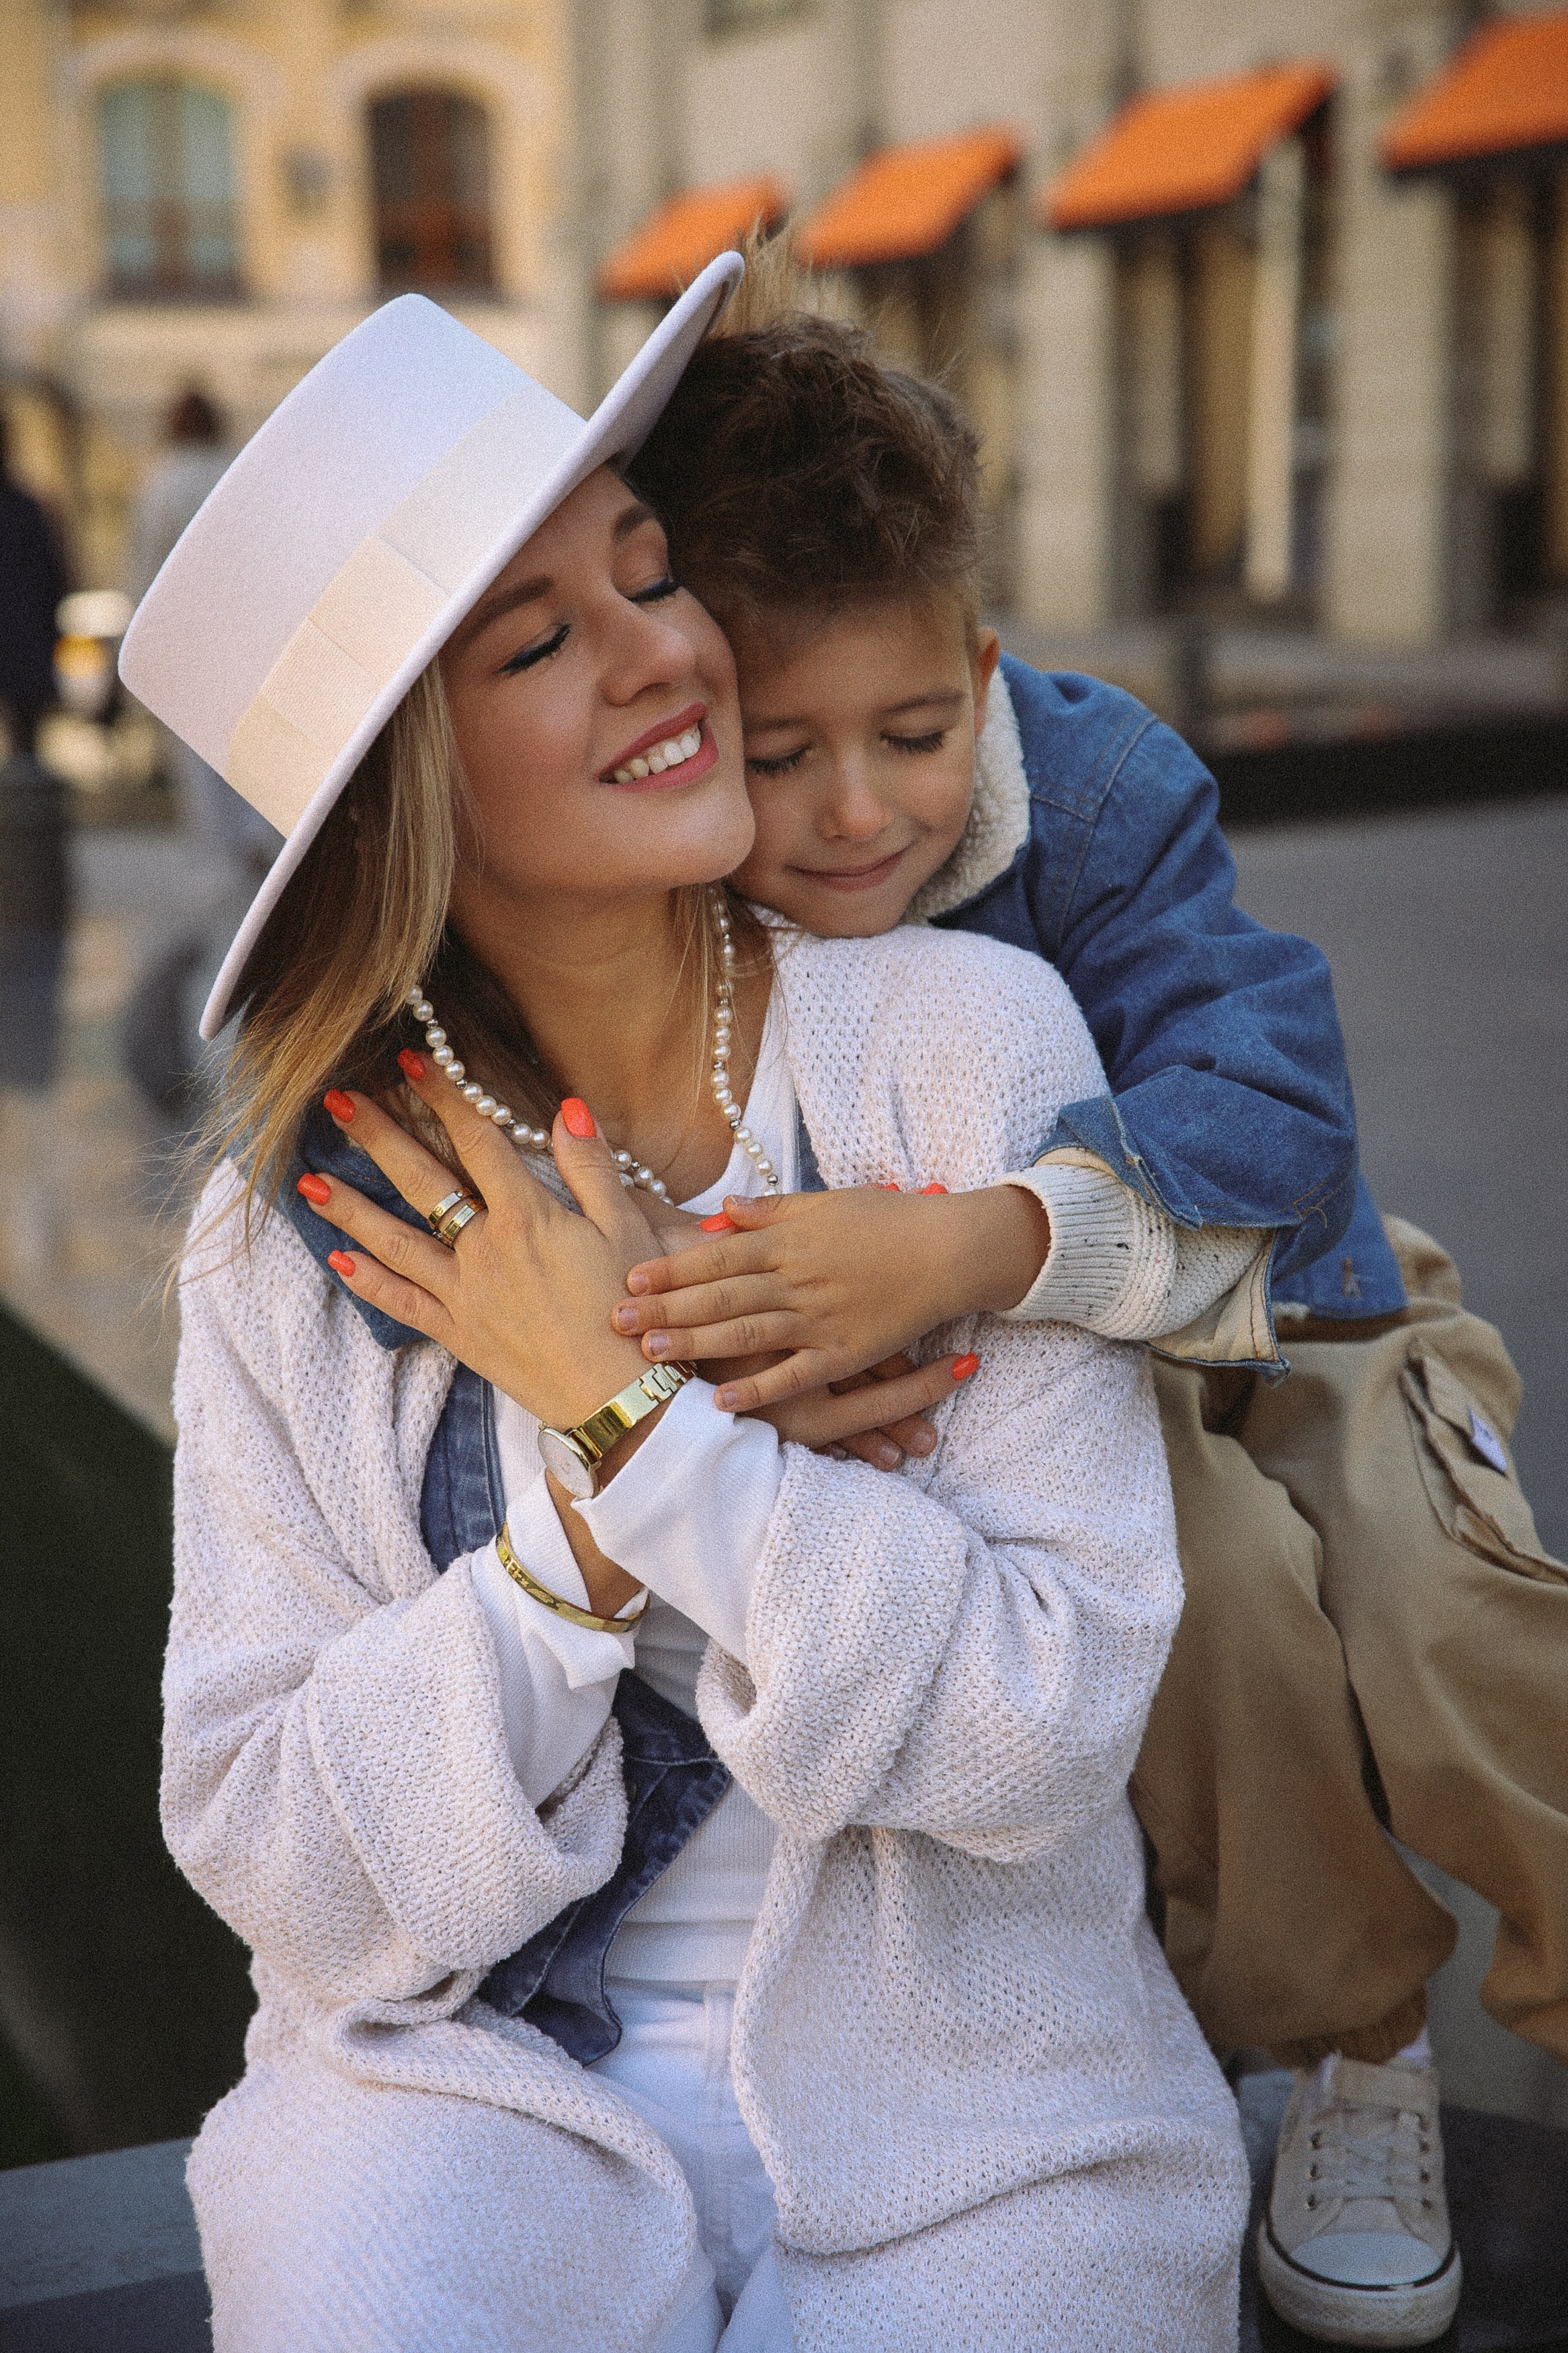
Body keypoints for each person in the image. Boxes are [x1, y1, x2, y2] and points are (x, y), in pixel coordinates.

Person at [123, 259, 1249, 2350]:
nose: (672, 652)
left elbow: (1046, 1709)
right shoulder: (299, 1231)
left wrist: (651, 1432)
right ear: (414, 796)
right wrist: (580, 1510)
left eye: (649, 570)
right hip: (458, 2104)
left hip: (991, 2120)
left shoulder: (964, 1043)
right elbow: (276, 1847)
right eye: (544, 638)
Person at [616, 289, 1568, 2348]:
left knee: (1437, 1588)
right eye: (780, 754)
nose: (857, 811)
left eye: (914, 733)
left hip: (1295, 1305)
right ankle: (1353, 2039)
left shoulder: (1093, 777)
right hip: (1070, 1398)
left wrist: (966, 1238)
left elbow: (1281, 1116)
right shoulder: (673, 871)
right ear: (696, 713)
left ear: (981, 670)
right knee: (1203, 1595)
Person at [124, 387, 281, 1120]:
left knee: (214, 851)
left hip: (186, 663)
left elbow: (140, 582)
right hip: (251, 658)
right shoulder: (236, 470)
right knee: (252, 798)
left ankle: (224, 1065)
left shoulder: (160, 484)